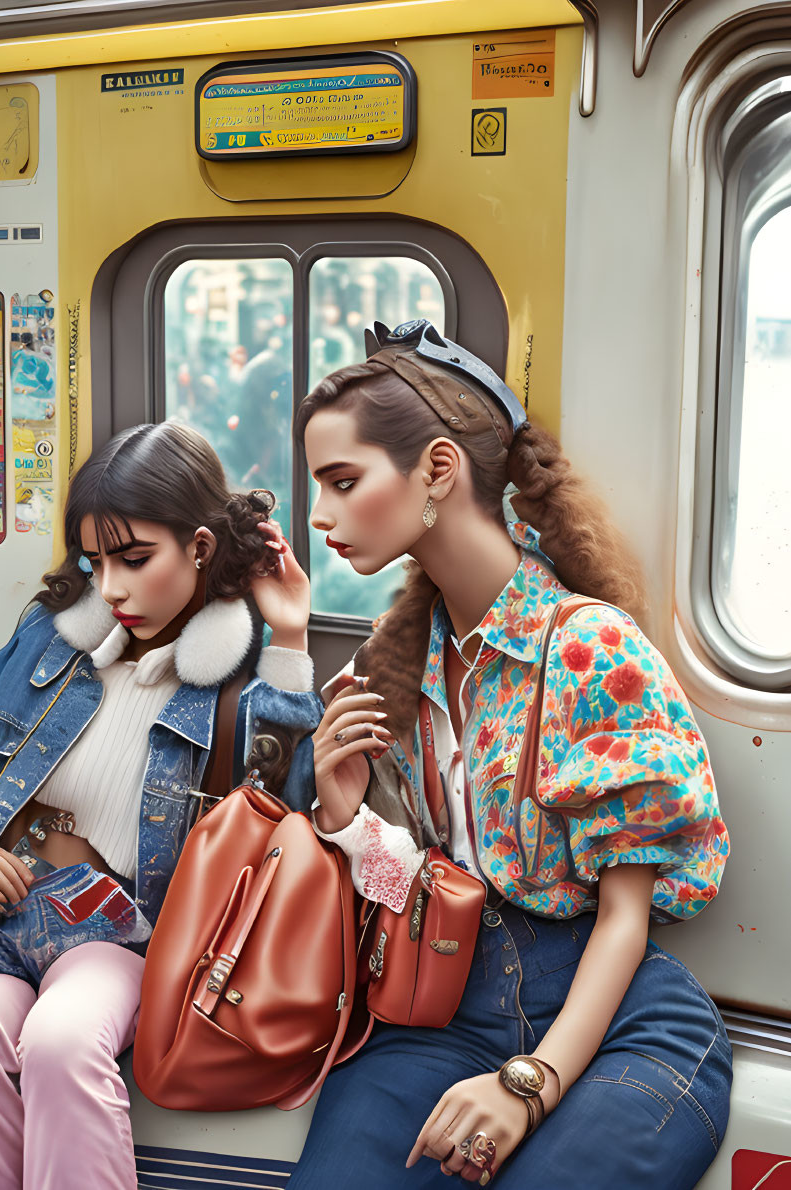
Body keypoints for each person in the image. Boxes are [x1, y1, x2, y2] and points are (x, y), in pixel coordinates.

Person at [290, 320, 731, 1189]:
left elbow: (623, 919)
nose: (319, 514)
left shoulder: (587, 647)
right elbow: (426, 889)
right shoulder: (393, 659)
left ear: (438, 471)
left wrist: (526, 1087)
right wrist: (343, 818)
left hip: (616, 1018)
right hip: (447, 1008)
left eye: (343, 481)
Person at [0, 421, 320, 1190]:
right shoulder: (45, 640)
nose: (112, 588)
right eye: (96, 561)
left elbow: (284, 824)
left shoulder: (237, 684)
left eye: (135, 560)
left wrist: (291, 635)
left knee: (64, 1044)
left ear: (198, 547)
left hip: (118, 936)